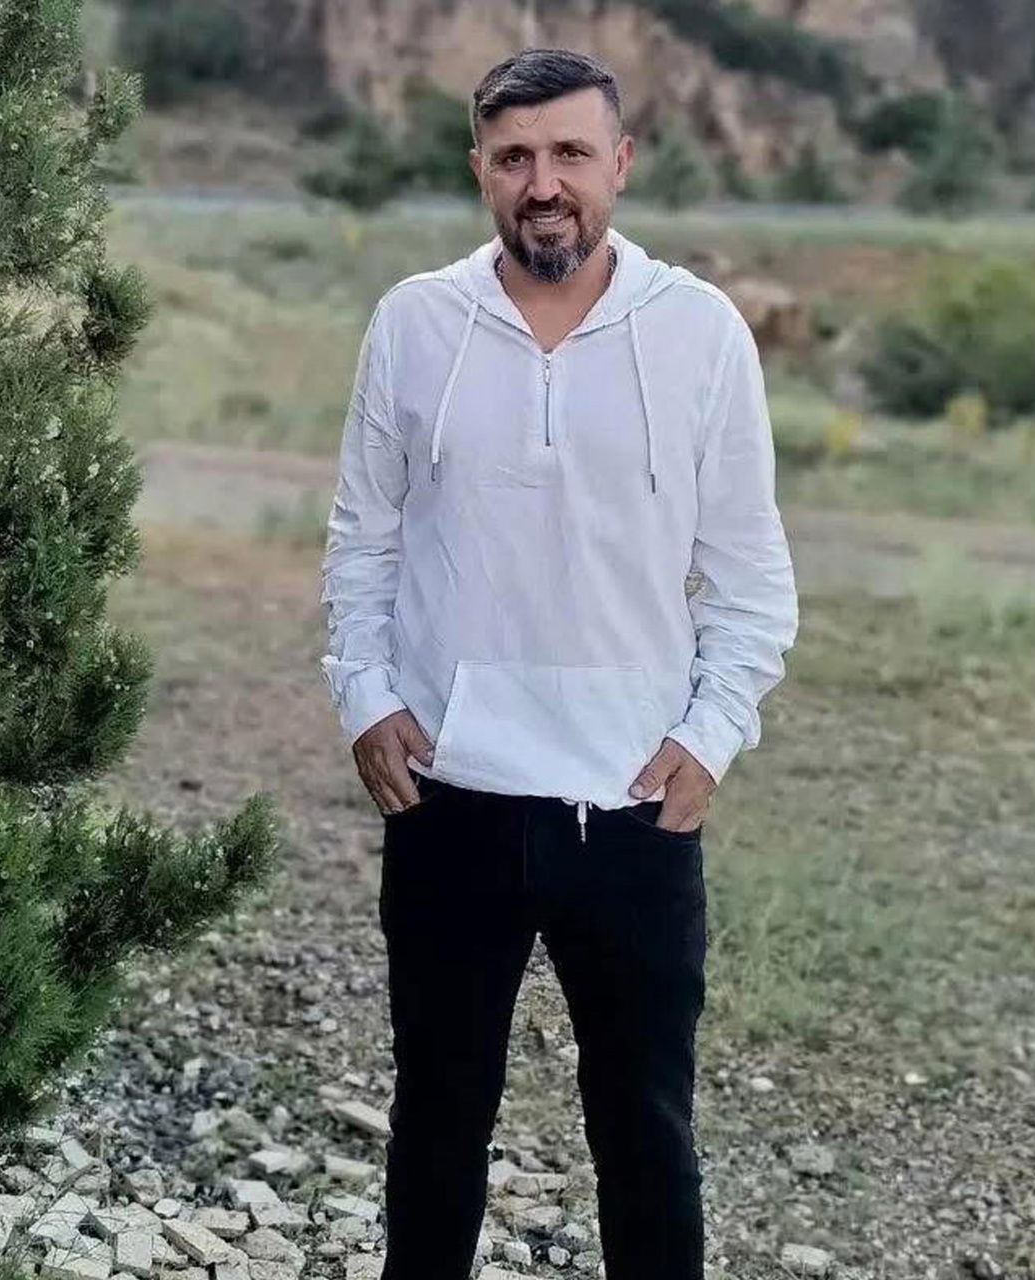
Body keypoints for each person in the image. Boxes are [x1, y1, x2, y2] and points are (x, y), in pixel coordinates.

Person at [319, 47, 798, 1280]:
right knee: (436, 1120)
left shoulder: (697, 332)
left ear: (619, 163)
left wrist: (710, 735)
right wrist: (364, 695)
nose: (544, 184)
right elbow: (362, 537)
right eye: (515, 156)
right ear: (478, 168)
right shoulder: (414, 321)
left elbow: (749, 572)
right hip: (449, 794)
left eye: (570, 153)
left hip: (631, 803)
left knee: (645, 1133)